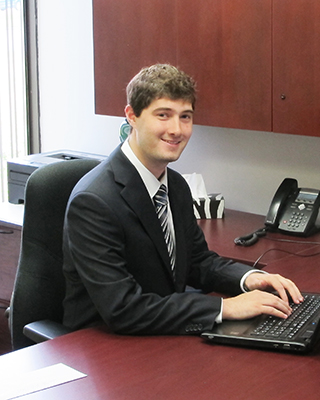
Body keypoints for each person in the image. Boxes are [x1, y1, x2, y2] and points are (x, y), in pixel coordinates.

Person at [62, 64, 303, 335]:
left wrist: (250, 279)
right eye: (163, 115)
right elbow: (123, 308)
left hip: (161, 328)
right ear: (132, 115)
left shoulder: (174, 185)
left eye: (185, 117)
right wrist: (224, 309)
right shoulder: (94, 202)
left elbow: (197, 262)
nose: (176, 129)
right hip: (101, 345)